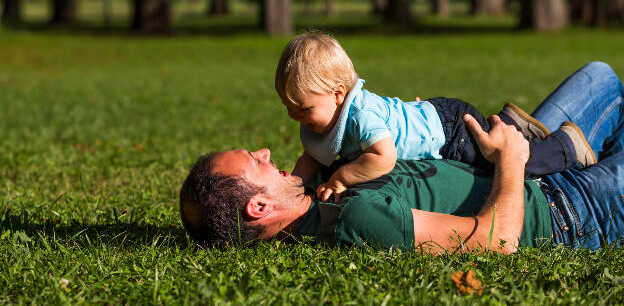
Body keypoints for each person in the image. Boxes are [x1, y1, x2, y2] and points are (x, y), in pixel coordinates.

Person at [180, 62, 624, 252]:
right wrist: (512, 159)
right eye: (255, 162)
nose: (265, 151)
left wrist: (416, 125)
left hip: (517, 162)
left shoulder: (320, 184)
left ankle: (572, 151)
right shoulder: (354, 218)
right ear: (258, 207)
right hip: (568, 210)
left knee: (599, 78)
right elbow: (495, 244)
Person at [274, 33, 595, 202]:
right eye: (287, 107)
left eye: (302, 108)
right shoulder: (322, 120)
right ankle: (509, 124)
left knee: (503, 165)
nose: (293, 116)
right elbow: (312, 158)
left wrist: (343, 176)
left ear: (338, 94)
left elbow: (384, 158)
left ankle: (566, 147)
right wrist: (295, 185)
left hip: (449, 132)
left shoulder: (360, 116)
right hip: (434, 117)